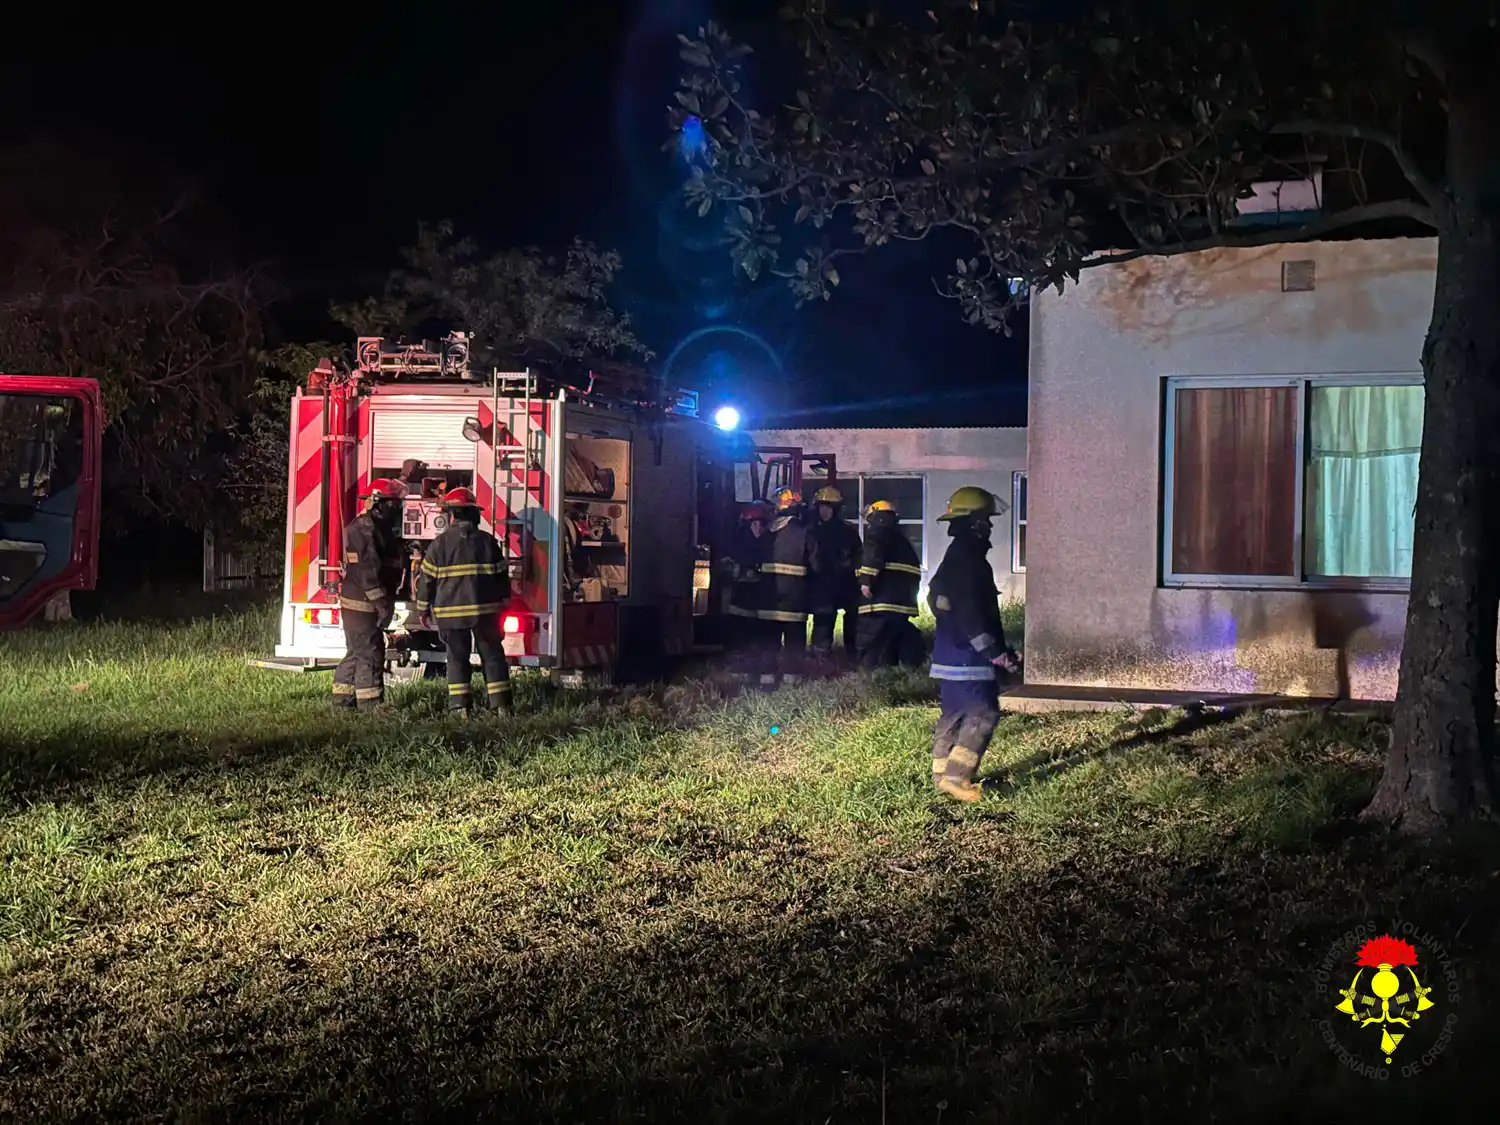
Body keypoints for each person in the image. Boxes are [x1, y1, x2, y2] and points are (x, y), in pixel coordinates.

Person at [926, 485, 1021, 802]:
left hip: (948, 654)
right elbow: (971, 614)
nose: (990, 526)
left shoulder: (954, 558)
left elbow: (937, 597)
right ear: (974, 523)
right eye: (986, 520)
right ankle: (958, 778)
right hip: (969, 659)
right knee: (984, 712)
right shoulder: (972, 562)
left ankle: (941, 774)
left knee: (953, 715)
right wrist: (996, 654)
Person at [413, 487, 514, 716]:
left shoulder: (439, 545)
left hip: (451, 615)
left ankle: (460, 709)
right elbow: (501, 577)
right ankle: (501, 707)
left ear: (451, 515)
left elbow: (426, 580)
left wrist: (422, 609)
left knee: (457, 659)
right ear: (474, 514)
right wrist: (505, 603)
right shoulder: (488, 542)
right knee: (493, 658)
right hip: (486, 614)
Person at [333, 478, 407, 711]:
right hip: (363, 602)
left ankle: (343, 702)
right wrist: (381, 603)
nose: (397, 507)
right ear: (377, 502)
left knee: (356, 650)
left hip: (359, 600)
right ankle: (371, 707)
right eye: (392, 503)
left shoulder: (375, 525)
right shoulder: (365, 527)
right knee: (371, 653)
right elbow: (369, 569)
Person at [760, 485, 818, 686]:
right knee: (794, 640)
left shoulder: (766, 532)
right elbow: (816, 565)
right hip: (795, 598)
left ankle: (766, 679)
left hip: (769, 598)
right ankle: (792, 680)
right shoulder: (805, 533)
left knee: (768, 639)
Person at [854, 500, 923, 668]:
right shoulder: (903, 541)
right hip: (903, 602)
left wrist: (866, 582)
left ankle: (871, 671)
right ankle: (901, 667)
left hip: (881, 599)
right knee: (894, 638)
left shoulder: (877, 535)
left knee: (872, 639)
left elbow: (872, 558)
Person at [807, 485, 863, 668]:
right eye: (821, 507)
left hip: (846, 583)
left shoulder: (849, 532)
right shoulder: (812, 531)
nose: (824, 511)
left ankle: (853, 656)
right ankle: (821, 658)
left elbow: (858, 557)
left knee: (852, 621)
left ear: (836, 509)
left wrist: (848, 566)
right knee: (823, 620)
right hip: (823, 584)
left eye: (828, 507)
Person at [719, 499, 773, 675]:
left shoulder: (772, 541)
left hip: (762, 599)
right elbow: (726, 564)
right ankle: (739, 672)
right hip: (740, 597)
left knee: (761, 638)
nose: (758, 528)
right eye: (754, 523)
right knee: (739, 636)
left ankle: (759, 672)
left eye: (762, 523)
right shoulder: (736, 541)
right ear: (747, 523)